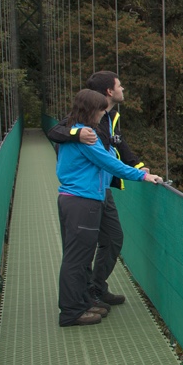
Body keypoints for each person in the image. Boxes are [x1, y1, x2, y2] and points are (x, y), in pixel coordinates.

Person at [56, 89, 163, 326]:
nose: (103, 116)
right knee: (77, 258)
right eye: (102, 111)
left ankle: (82, 303)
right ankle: (72, 312)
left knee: (80, 256)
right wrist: (142, 176)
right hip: (82, 201)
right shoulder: (87, 137)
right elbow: (110, 163)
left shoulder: (76, 133)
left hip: (76, 199)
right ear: (92, 111)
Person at [48, 70, 147, 310]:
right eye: (120, 85)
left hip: (98, 190)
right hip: (84, 194)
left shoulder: (109, 117)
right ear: (108, 92)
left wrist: (141, 167)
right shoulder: (84, 123)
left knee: (112, 239)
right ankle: (79, 303)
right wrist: (76, 133)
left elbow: (117, 146)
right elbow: (56, 133)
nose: (123, 89)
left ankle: (94, 289)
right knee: (81, 252)